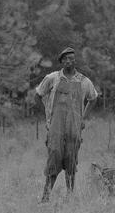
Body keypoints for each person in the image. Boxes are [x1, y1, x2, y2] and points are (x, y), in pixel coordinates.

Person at [36, 47, 98, 202]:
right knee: (54, 156)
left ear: (75, 60)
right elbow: (38, 94)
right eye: (65, 59)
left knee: (71, 160)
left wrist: (83, 117)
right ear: (61, 61)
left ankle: (70, 196)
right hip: (56, 127)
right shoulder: (53, 78)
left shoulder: (84, 81)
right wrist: (47, 113)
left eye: (71, 58)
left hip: (74, 128)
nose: (69, 61)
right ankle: (46, 197)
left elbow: (93, 98)